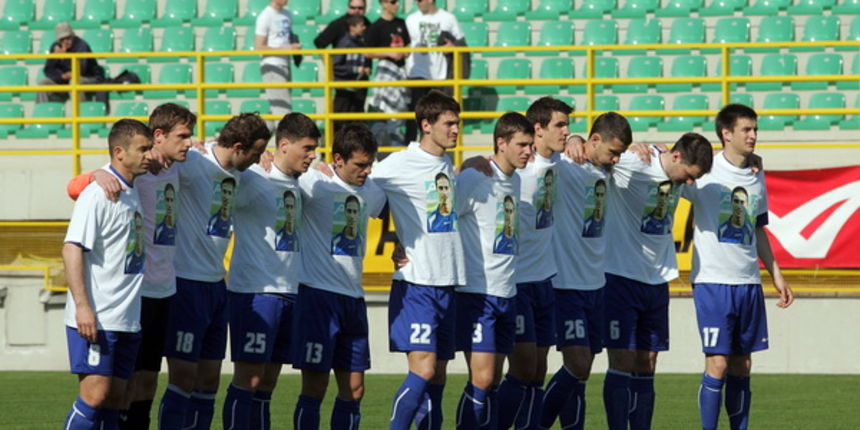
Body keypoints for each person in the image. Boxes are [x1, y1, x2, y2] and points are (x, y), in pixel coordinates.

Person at [65, 103, 198, 430]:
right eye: (182, 136)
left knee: (130, 391)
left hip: (147, 298)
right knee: (98, 393)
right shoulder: (114, 183)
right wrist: (96, 174)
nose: (189, 143)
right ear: (158, 137)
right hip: (115, 304)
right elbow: (75, 197)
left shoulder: (168, 171)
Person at [158, 114, 271, 430]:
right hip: (185, 283)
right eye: (256, 152)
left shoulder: (239, 174)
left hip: (216, 286)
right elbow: (151, 158)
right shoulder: (193, 163)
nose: (259, 158)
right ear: (238, 147)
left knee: (209, 381)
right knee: (182, 377)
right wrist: (97, 175)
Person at [684, 104, 793, 430]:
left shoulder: (756, 177)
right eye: (746, 130)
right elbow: (668, 167)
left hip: (748, 283)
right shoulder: (706, 170)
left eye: (755, 129)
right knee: (717, 363)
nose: (753, 136)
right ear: (726, 133)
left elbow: (757, 228)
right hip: (713, 282)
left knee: (742, 364)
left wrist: (775, 273)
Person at [602, 132, 713, 430]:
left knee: (648, 362)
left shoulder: (677, 172)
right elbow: (597, 152)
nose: (690, 184)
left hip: (657, 279)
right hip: (620, 275)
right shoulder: (634, 162)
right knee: (622, 361)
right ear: (676, 157)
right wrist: (574, 138)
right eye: (688, 177)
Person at [371, 90, 465, 430]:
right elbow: (360, 191)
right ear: (426, 125)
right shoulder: (397, 163)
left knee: (437, 377)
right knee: (423, 370)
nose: (456, 130)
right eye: (449, 124)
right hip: (417, 284)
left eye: (458, 123)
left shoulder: (446, 165)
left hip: (447, 281)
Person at [223, 112, 320, 430]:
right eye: (306, 148)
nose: (312, 155)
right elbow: (217, 162)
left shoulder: (302, 183)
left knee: (267, 384)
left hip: (291, 292)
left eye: (315, 149)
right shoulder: (253, 177)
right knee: (248, 379)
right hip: (256, 291)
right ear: (284, 145)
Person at [539, 112, 633, 430]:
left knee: (582, 372)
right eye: (613, 152)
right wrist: (574, 137)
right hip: (566, 283)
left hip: (596, 284)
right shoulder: (567, 166)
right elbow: (540, 148)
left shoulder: (607, 170)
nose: (617, 159)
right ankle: (534, 424)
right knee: (577, 364)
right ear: (594, 141)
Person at [291, 123, 386, 430]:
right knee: (315, 387)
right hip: (317, 295)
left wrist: (401, 246)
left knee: (355, 389)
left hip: (353, 299)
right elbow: (277, 175)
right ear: (338, 159)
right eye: (360, 165)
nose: (366, 171)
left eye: (369, 164)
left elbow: (396, 206)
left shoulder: (371, 190)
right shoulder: (313, 181)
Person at [61, 119, 153, 430]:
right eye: (142, 149)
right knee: (95, 395)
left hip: (126, 316)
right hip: (97, 317)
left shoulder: (130, 190)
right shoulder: (97, 194)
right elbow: (72, 248)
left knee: (118, 396)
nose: (148, 155)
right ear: (118, 152)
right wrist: (83, 306)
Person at [492, 97, 571, 430]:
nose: (567, 132)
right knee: (523, 369)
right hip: (518, 283)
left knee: (538, 372)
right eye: (560, 125)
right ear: (538, 129)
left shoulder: (559, 163)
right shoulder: (518, 170)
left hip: (545, 280)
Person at [454, 112, 533, 429]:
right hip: (477, 292)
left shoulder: (514, 178)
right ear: (501, 143)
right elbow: (444, 216)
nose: (528, 151)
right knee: (483, 378)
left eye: (530, 144)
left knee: (496, 379)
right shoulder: (475, 177)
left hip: (506, 292)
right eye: (522, 144)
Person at [403, 0, 464, 144]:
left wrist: (452, 46)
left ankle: (440, 146)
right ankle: (412, 147)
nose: (417, 3)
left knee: (441, 116)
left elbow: (461, 43)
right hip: (416, 74)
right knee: (414, 116)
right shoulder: (411, 19)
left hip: (439, 75)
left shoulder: (448, 18)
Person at [366, 0, 412, 147]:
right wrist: (390, 53)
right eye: (392, 2)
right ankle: (374, 151)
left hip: (400, 71)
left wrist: (404, 53)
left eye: (397, 2)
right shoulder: (376, 26)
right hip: (385, 71)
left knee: (398, 116)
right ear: (383, 4)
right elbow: (367, 52)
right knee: (382, 112)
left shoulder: (401, 23)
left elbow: (408, 45)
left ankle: (396, 150)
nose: (396, 5)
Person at [38, 22, 108, 108]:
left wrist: (65, 57)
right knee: (43, 83)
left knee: (74, 82)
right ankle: (44, 115)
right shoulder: (55, 47)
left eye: (68, 38)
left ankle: (81, 115)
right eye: (62, 39)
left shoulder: (82, 46)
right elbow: (48, 70)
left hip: (89, 77)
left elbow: (82, 69)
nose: (65, 41)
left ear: (72, 36)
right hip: (65, 80)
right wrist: (61, 76)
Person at [256, 0, 301, 117]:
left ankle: (255, 133)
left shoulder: (287, 14)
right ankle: (286, 135)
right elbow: (259, 47)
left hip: (285, 63)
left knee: (277, 108)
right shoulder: (265, 16)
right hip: (272, 64)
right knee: (283, 109)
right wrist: (285, 49)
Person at [332, 15, 372, 126]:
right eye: (361, 25)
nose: (364, 28)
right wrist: (355, 69)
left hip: (357, 89)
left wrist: (365, 69)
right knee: (340, 122)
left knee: (357, 122)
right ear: (352, 27)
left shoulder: (361, 43)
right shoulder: (344, 44)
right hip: (345, 90)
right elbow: (336, 66)